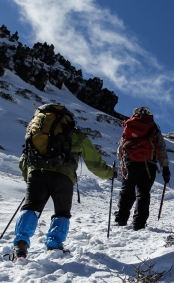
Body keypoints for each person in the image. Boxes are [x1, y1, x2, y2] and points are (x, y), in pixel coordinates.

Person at [12, 104, 114, 259]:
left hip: (36, 174)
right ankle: (54, 244)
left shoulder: (35, 131)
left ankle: (20, 244)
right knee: (62, 212)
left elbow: (24, 158)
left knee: (31, 207)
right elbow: (94, 164)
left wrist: (30, 177)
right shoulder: (76, 135)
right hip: (63, 176)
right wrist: (110, 174)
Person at [115, 107, 170, 230]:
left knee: (127, 190)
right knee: (143, 193)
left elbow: (121, 146)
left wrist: (123, 163)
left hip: (131, 163)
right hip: (149, 164)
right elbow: (161, 148)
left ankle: (121, 219)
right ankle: (139, 224)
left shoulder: (129, 125)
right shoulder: (153, 127)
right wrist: (165, 167)